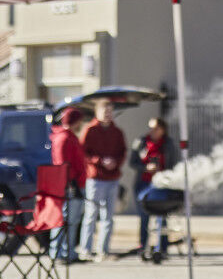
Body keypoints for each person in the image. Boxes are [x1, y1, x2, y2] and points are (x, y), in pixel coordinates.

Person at [78, 100, 127, 262]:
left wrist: (115, 163)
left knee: (108, 216)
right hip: (95, 178)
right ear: (98, 113)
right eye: (105, 111)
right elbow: (83, 152)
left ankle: (103, 250)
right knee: (91, 214)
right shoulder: (90, 130)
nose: (108, 114)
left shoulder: (117, 132)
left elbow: (122, 151)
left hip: (112, 178)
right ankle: (86, 249)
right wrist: (99, 161)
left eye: (110, 111)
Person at [129, 118, 178, 258]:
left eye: (155, 128)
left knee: (162, 217)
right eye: (150, 128)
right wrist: (145, 168)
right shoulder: (141, 142)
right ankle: (143, 246)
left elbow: (173, 164)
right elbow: (133, 162)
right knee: (144, 217)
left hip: (161, 184)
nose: (152, 131)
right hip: (143, 184)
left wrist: (163, 173)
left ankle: (162, 247)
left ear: (162, 129)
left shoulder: (168, 144)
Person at [50, 108, 87, 262]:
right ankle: (60, 252)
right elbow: (62, 164)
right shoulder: (63, 138)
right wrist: (71, 183)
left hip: (75, 183)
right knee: (65, 220)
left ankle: (68, 251)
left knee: (71, 221)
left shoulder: (70, 137)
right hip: (69, 185)